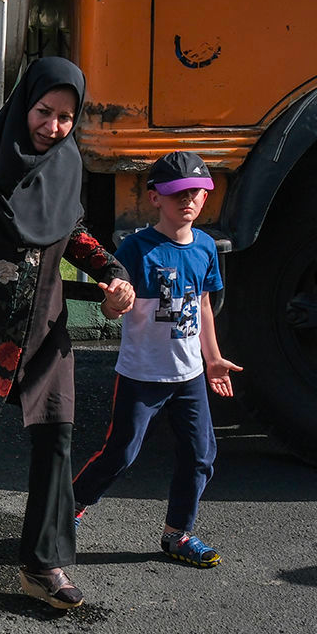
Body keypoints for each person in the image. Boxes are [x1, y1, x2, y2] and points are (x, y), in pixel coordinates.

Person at [0, 56, 135, 610]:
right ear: (23, 106)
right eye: (44, 111)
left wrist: (112, 272)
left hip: (46, 331)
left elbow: (72, 232)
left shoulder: (66, 164)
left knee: (56, 441)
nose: (54, 127)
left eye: (66, 117)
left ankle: (44, 565)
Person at [72, 151, 242, 568]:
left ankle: (177, 534)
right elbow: (113, 308)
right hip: (141, 375)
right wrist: (113, 302)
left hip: (190, 376)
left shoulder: (204, 247)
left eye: (197, 193)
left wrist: (214, 359)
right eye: (177, 193)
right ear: (155, 198)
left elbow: (202, 305)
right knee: (121, 454)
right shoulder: (136, 249)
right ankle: (66, 511)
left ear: (206, 198)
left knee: (201, 455)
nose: (188, 201)